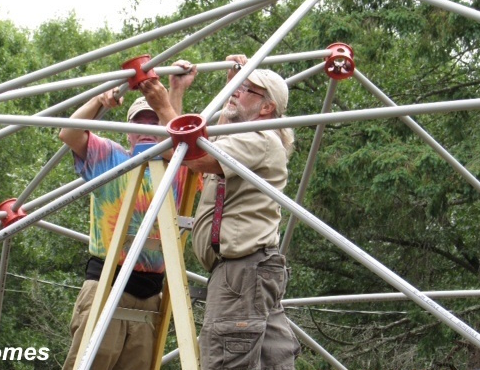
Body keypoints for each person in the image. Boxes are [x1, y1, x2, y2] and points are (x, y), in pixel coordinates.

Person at [140, 54, 301, 370]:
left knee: (227, 360)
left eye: (247, 90)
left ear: (267, 108)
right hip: (249, 271)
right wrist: (181, 91)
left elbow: (194, 155)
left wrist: (160, 105)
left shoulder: (262, 137)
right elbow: (188, 143)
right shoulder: (242, 134)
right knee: (273, 361)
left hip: (242, 272)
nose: (238, 93)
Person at [58, 61, 197, 370]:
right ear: (129, 131)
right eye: (139, 122)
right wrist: (98, 101)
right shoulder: (111, 158)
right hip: (107, 286)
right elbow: (68, 132)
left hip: (149, 297)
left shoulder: (180, 170)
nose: (146, 129)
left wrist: (174, 92)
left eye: (153, 121)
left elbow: (179, 136)